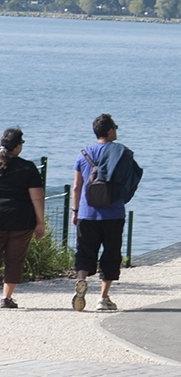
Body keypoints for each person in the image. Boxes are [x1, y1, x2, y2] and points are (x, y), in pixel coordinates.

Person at [72, 113, 131, 311]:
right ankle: (103, 298)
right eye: (115, 126)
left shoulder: (83, 153)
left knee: (85, 250)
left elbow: (76, 187)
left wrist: (75, 211)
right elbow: (130, 181)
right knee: (111, 254)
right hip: (113, 213)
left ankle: (81, 282)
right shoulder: (121, 153)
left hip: (87, 213)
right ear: (110, 130)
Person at [0, 128, 46, 309]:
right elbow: (37, 197)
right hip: (21, 220)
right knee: (15, 259)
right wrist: (40, 222)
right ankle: (6, 298)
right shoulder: (28, 168)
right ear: (18, 146)